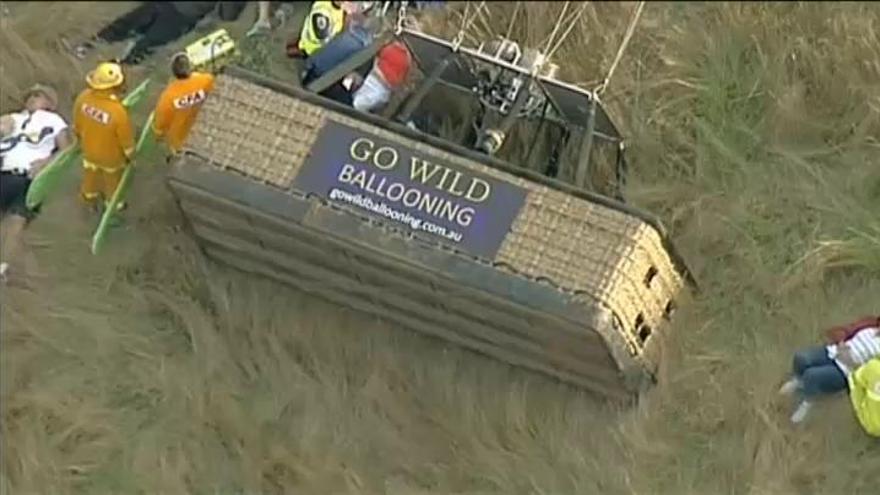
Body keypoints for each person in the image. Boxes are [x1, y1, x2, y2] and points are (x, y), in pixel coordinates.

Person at [0, 85, 73, 281]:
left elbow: (66, 150)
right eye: (30, 95)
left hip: (31, 177)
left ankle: (3, 267)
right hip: (5, 170)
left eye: (39, 95)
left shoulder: (54, 121)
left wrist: (47, 163)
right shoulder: (14, 118)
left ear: (50, 103)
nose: (33, 98)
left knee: (16, 222)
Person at [779, 315, 880, 424]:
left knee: (812, 376)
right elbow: (845, 330)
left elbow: (872, 373)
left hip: (845, 370)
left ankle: (807, 403)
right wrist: (841, 344)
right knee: (801, 358)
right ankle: (798, 380)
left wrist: (852, 363)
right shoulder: (870, 325)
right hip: (833, 351)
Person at [72, 62, 136, 213]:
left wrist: (78, 139)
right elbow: (126, 142)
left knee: (90, 177)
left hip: (88, 151)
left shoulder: (83, 98)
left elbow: (77, 123)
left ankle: (89, 200)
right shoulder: (118, 112)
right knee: (112, 182)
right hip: (111, 158)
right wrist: (132, 157)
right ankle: (114, 205)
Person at [74, 2, 226, 65]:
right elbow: (228, 13)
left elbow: (228, 13)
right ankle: (89, 49)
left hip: (182, 14)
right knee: (140, 37)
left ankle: (110, 72)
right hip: (181, 14)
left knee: (140, 39)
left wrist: (209, 21)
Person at [152, 53, 215, 155]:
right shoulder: (206, 80)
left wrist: (159, 138)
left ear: (174, 73)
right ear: (190, 67)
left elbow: (159, 129)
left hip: (181, 144)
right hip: (206, 134)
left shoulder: (167, 98)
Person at [352, 40, 412, 113]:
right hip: (373, 81)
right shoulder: (391, 48)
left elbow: (357, 105)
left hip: (380, 88)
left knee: (359, 103)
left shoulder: (404, 57)